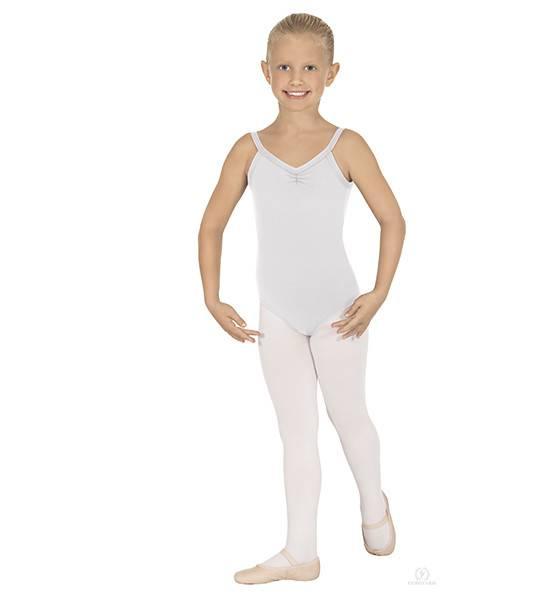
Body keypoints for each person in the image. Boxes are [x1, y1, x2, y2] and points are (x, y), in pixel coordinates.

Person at [198, 12, 406, 584]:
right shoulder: (248, 150)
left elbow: (392, 219)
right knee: (296, 432)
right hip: (278, 313)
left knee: (348, 415)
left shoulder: (347, 145)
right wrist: (212, 297)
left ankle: (374, 507)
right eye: (285, 67)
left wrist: (379, 293)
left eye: (310, 67)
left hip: (339, 311)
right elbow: (211, 225)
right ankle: (301, 553)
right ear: (265, 71)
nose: (297, 78)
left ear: (331, 73)